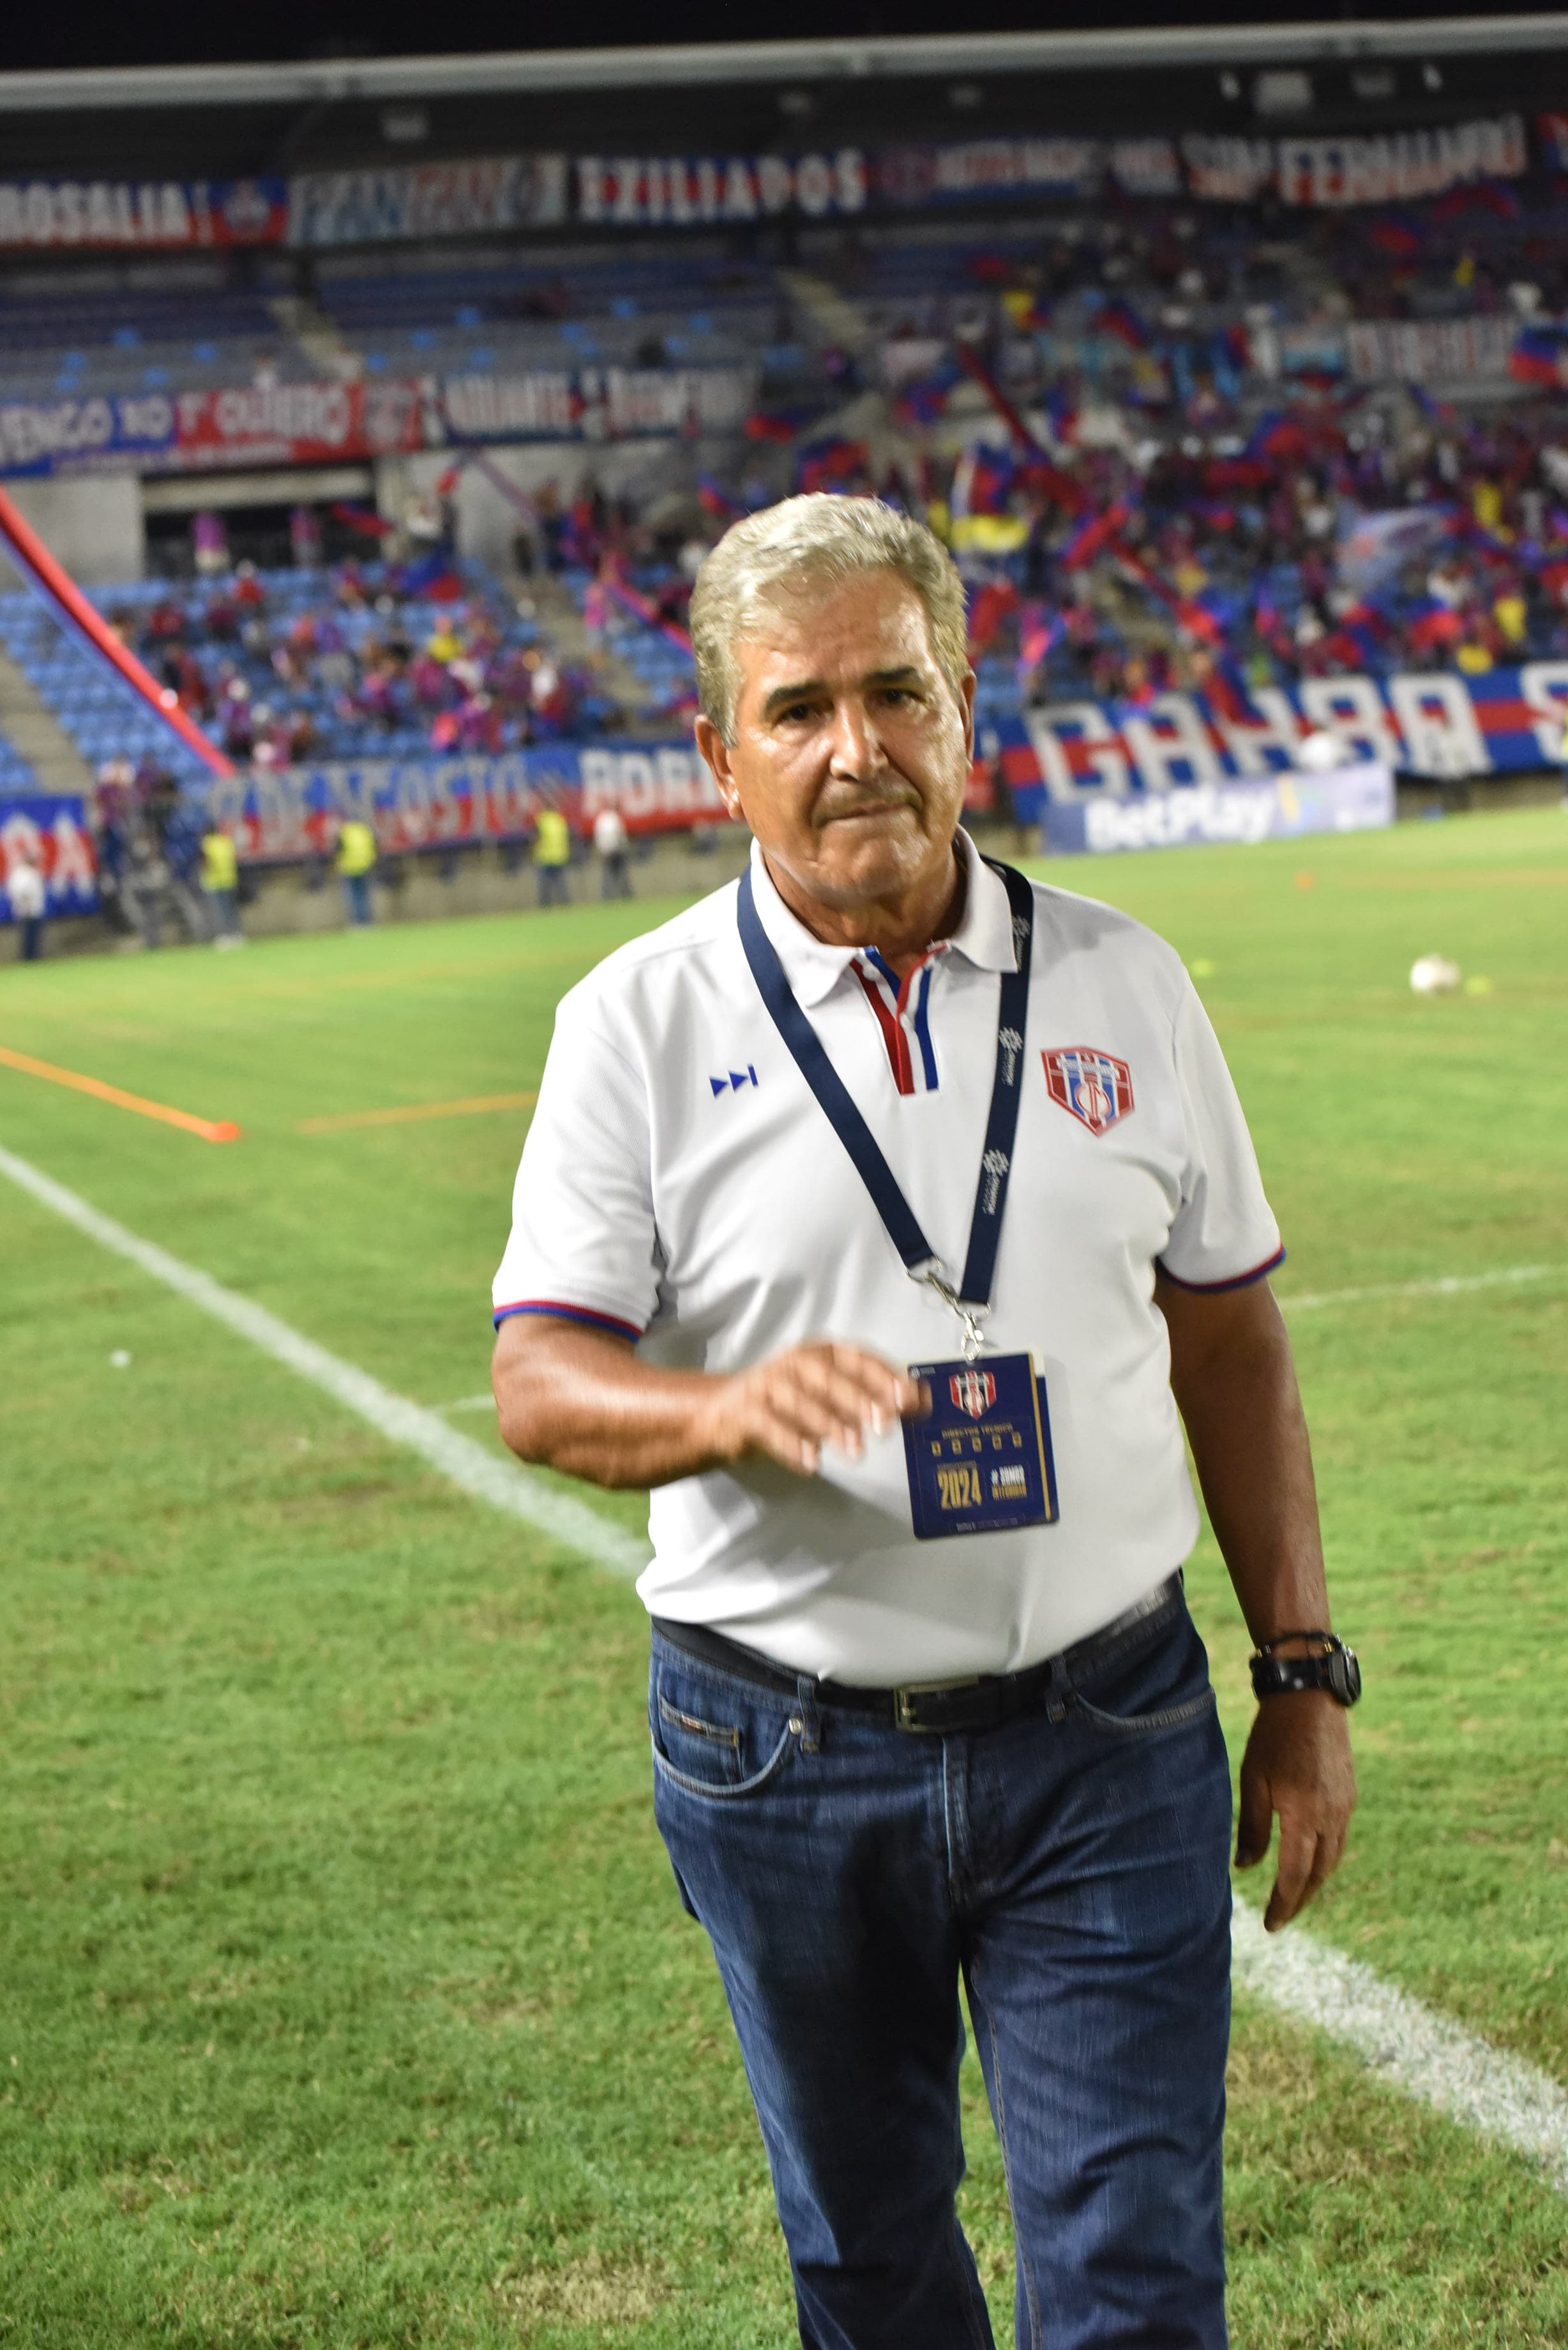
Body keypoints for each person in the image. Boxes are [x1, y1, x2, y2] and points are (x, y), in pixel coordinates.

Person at [490, 496, 1357, 2350]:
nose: (855, 746)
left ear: (965, 701)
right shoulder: (629, 1025)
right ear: (715, 752)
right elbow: (539, 1376)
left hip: (1105, 1731)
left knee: (1133, 2273)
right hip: (775, 1752)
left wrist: (1297, 1664)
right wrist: (716, 1403)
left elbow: (1230, 1336)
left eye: (895, 690)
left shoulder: (1123, 979)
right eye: (795, 706)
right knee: (868, 2267)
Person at [200, 821, 243, 948]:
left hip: (214, 882)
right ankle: (236, 935)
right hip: (230, 880)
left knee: (220, 911)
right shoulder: (226, 842)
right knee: (232, 910)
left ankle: (225, 936)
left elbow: (206, 861)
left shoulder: (207, 843)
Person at [335, 815, 377, 926]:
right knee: (365, 896)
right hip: (365, 866)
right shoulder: (365, 831)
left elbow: (338, 850)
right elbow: (375, 846)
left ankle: (357, 922)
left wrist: (338, 865)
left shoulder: (345, 832)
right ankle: (368, 921)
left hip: (349, 868)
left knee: (353, 897)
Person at [7, 845, 46, 961]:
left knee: (36, 937)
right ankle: (28, 959)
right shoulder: (21, 873)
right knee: (28, 937)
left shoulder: (33, 872)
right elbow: (19, 891)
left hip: (36, 910)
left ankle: (35, 957)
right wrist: (26, 905)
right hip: (27, 911)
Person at [532, 796, 572, 907]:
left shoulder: (542, 820)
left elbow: (536, 836)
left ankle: (546, 908)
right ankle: (566, 907)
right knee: (561, 886)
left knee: (545, 887)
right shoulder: (560, 820)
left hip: (545, 857)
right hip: (560, 856)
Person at [592, 801, 632, 899]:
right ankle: (625, 895)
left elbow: (598, 837)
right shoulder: (614, 818)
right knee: (620, 875)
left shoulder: (601, 819)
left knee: (609, 875)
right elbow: (621, 834)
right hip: (616, 849)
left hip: (607, 850)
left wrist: (601, 850)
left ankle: (608, 896)